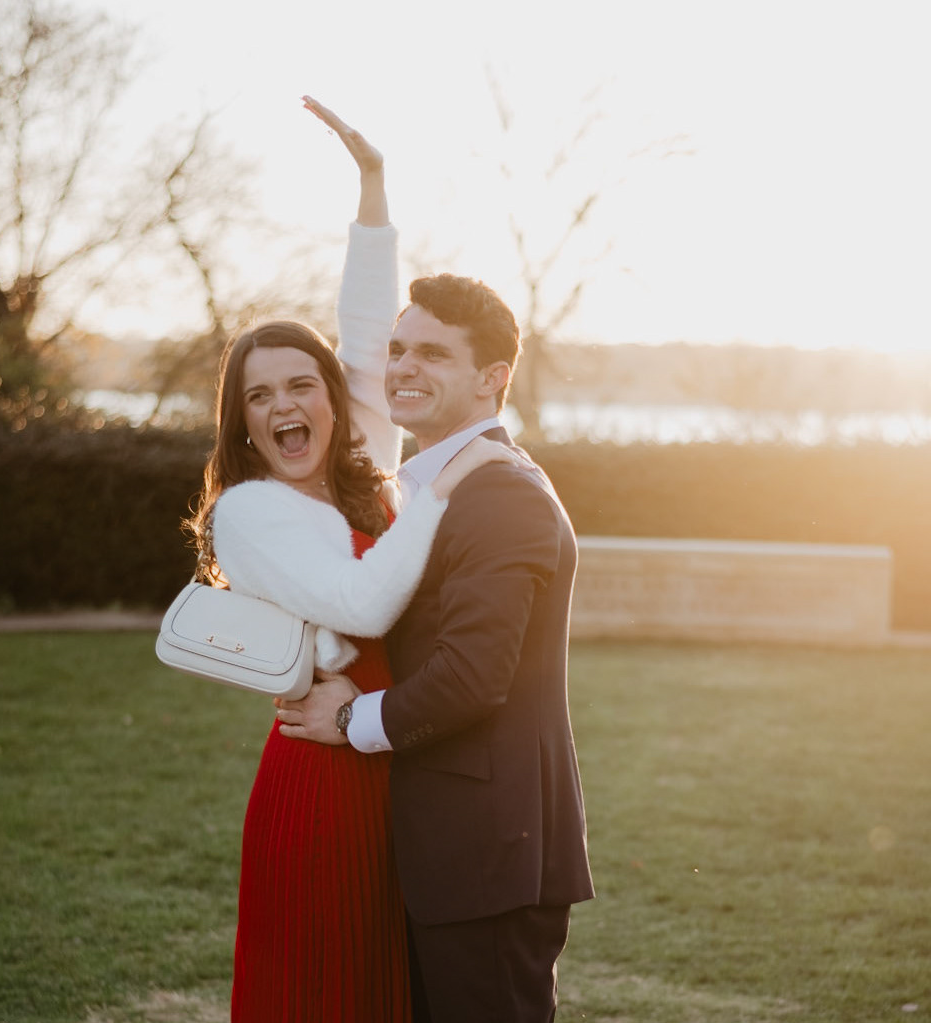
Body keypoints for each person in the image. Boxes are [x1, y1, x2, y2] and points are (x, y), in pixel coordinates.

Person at [188, 97, 515, 1023]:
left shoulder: (361, 468)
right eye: (260, 397)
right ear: (242, 422)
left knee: (382, 991)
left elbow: (367, 326)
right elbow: (364, 604)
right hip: (320, 780)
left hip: (385, 758)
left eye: (303, 384)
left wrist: (372, 185)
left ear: (334, 398)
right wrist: (447, 484)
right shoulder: (251, 512)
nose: (285, 406)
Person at [277, 270, 595, 1020]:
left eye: (433, 353)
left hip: (487, 854)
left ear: (493, 378)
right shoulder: (435, 488)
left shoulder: (501, 493)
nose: (403, 368)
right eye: (397, 349)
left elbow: (473, 674)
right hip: (449, 849)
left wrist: (348, 718)